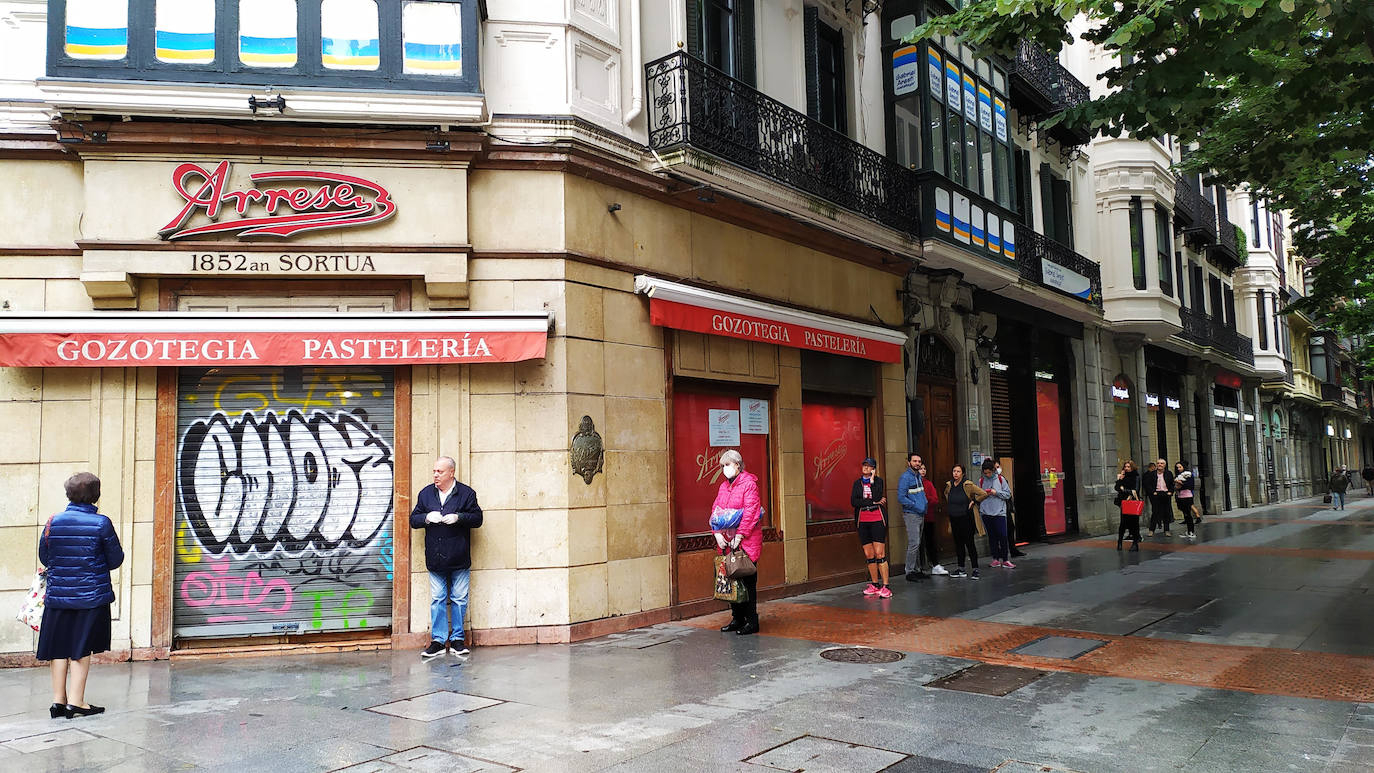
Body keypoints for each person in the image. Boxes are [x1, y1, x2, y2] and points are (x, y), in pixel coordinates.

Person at [37, 471, 124, 719]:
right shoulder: (101, 523)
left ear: (68, 494)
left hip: (58, 596)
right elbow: (115, 559)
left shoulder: (53, 522)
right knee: (80, 646)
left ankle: (58, 701)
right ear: (96, 495)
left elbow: (45, 557)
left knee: (58, 646)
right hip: (90, 597)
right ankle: (76, 702)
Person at [410, 456, 483, 660]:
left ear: (451, 473)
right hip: (435, 558)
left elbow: (478, 519)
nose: (435, 475)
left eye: (439, 472)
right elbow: (413, 520)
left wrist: (459, 517)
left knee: (459, 599)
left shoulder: (466, 493)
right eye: (434, 471)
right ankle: (438, 641)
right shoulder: (426, 494)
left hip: (459, 557)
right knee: (438, 599)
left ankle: (458, 639)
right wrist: (426, 518)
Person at [712, 449, 763, 635]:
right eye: (722, 466)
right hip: (727, 541)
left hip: (746, 541)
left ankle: (751, 620)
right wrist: (717, 533)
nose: (724, 469)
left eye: (727, 465)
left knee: (747, 581)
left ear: (738, 465)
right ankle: (737, 618)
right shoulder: (724, 486)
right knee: (731, 579)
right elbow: (716, 510)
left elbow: (751, 512)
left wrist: (740, 535)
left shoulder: (749, 485)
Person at [851, 457, 892, 598]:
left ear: (873, 469)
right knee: (869, 554)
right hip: (863, 520)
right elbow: (854, 501)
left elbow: (877, 496)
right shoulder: (857, 483)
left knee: (880, 553)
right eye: (864, 465)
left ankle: (886, 586)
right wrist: (872, 502)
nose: (865, 468)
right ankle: (875, 584)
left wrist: (872, 481)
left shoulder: (878, 481)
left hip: (877, 519)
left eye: (869, 466)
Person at [944, 464, 990, 579]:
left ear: (963, 473)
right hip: (954, 518)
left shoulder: (968, 485)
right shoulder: (949, 485)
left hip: (966, 518)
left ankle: (975, 569)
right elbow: (946, 495)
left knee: (969, 544)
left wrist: (974, 501)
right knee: (958, 544)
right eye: (954, 471)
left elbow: (983, 493)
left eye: (958, 471)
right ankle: (961, 568)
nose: (955, 473)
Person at [897, 452, 937, 581]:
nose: (917, 463)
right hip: (911, 514)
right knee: (914, 543)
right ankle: (909, 572)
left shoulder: (918, 476)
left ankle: (917, 569)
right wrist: (915, 505)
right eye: (914, 461)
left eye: (919, 461)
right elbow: (901, 497)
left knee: (918, 543)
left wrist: (923, 505)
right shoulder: (905, 477)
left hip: (920, 513)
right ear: (909, 462)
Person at [977, 459, 1014, 568]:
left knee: (1003, 535)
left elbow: (1008, 494)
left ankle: (1005, 559)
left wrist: (995, 492)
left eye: (989, 472)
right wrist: (984, 494)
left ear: (993, 470)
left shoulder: (1000, 479)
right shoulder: (981, 481)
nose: (987, 475)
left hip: (999, 512)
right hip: (986, 512)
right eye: (985, 473)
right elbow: (977, 496)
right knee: (992, 536)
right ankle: (995, 559)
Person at [917, 461, 949, 576]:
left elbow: (935, 499)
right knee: (916, 543)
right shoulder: (913, 483)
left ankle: (935, 564)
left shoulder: (928, 484)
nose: (923, 471)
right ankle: (918, 567)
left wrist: (925, 500)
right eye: (921, 468)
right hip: (916, 517)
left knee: (930, 541)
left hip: (928, 516)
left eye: (924, 468)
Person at [1142, 457, 1174, 536]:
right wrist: (1152, 492)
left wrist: (1170, 492)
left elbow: (1172, 484)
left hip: (1166, 494)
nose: (1159, 465)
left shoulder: (1169, 473)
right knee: (1155, 512)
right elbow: (1148, 484)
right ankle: (1151, 530)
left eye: (1161, 463)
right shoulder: (1152, 474)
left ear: (1165, 465)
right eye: (1158, 463)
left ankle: (1167, 530)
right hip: (1156, 494)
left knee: (1166, 512)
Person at [1113, 460, 1141, 551]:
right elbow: (1117, 488)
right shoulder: (1123, 477)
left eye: (1128, 467)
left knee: (1134, 524)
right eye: (1125, 467)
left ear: (1132, 467)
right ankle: (1119, 542)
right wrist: (1120, 479)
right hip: (1123, 502)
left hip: (1132, 502)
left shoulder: (1136, 476)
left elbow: (1136, 490)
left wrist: (1124, 490)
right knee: (1123, 523)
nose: (1126, 468)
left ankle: (1135, 543)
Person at [1174, 460, 1199, 539]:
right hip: (1180, 497)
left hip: (1187, 497)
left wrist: (1180, 483)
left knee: (1188, 514)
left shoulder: (1188, 475)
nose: (1178, 469)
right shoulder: (1178, 475)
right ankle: (1189, 531)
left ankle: (1191, 531)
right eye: (1177, 467)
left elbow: (1190, 486)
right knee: (1185, 514)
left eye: (1180, 467)